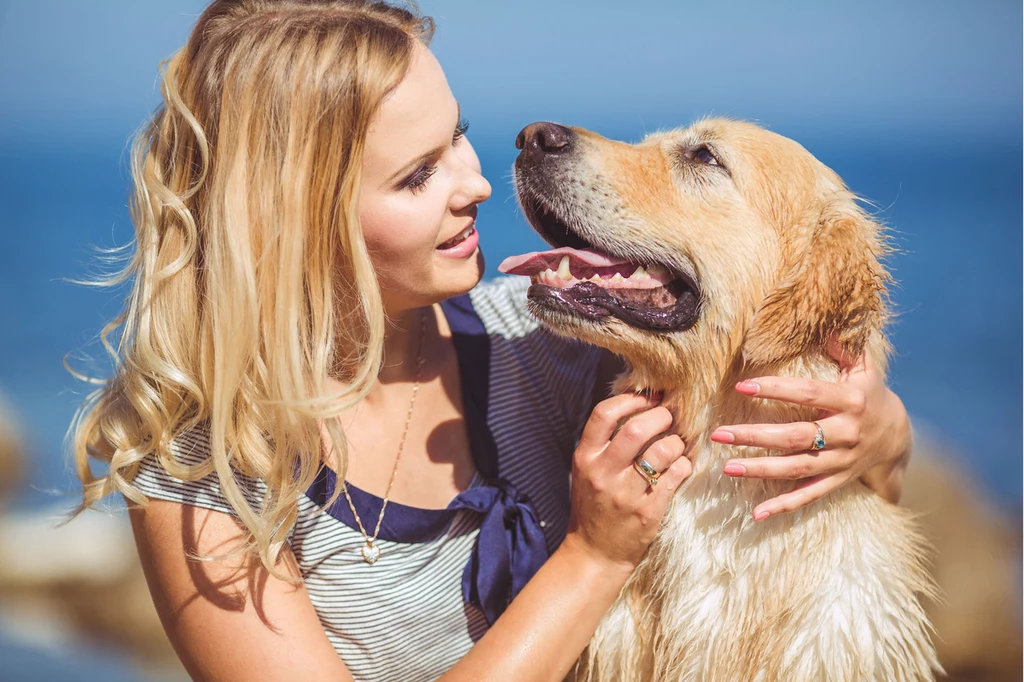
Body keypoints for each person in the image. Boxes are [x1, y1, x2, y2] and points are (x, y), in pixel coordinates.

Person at [70, 2, 913, 680]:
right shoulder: (202, 480)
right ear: (293, 219)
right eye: (417, 175)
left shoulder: (544, 344)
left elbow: (767, 363)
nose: (478, 182)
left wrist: (879, 429)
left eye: (459, 136)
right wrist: (592, 556)